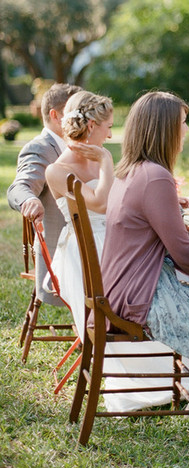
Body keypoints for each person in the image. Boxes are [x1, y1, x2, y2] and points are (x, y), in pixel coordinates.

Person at [101, 91, 189, 436]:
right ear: (164, 130)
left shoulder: (131, 171)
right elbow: (186, 256)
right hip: (141, 293)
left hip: (124, 285)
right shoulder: (155, 176)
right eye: (182, 123)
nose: (187, 131)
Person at [45, 90, 115, 335]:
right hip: (85, 253)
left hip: (113, 244)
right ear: (93, 125)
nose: (110, 134)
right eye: (108, 127)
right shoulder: (57, 171)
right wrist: (107, 161)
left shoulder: (98, 160)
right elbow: (102, 204)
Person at [7, 82, 82, 307]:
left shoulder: (79, 146)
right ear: (55, 115)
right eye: (77, 113)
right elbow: (19, 187)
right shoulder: (40, 148)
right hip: (65, 253)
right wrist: (29, 199)